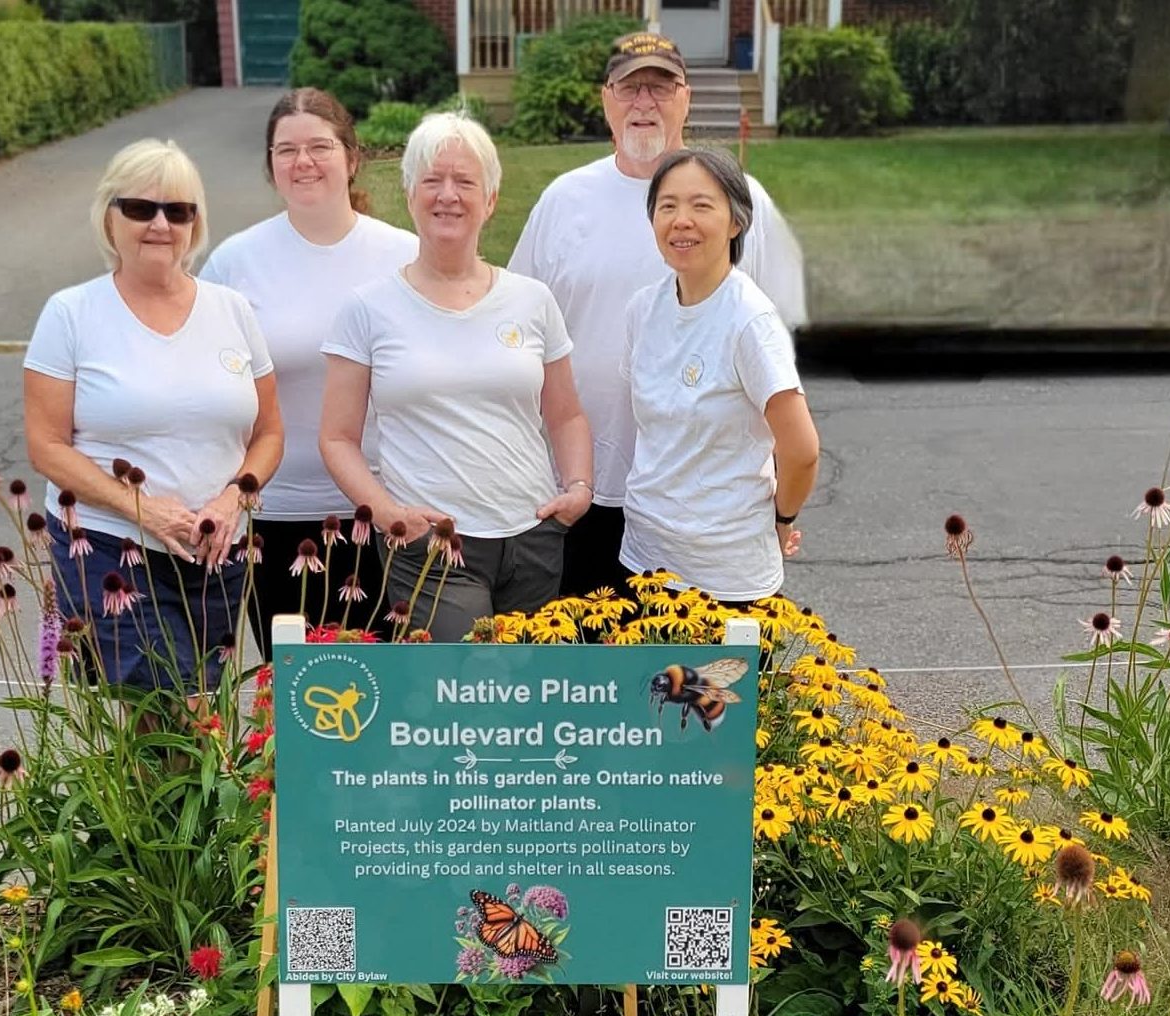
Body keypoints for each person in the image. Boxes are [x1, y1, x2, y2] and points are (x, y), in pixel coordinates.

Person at [509, 30, 808, 598]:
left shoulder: (745, 200)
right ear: (606, 100)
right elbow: (521, 336)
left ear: (686, 99)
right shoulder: (563, 201)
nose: (643, 103)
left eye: (661, 88)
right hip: (579, 485)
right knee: (590, 671)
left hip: (703, 510)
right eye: (629, 88)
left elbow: (774, 352)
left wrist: (784, 493)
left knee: (691, 684)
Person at [317, 113, 594, 642]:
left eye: (465, 181)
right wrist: (388, 514)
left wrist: (577, 489)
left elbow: (566, 414)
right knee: (465, 701)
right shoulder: (367, 309)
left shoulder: (532, 300)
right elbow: (337, 437)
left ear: (490, 199)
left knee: (526, 703)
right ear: (409, 194)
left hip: (532, 535)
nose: (448, 195)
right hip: (431, 544)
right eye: (432, 180)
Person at [24, 138, 283, 693]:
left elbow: (269, 432)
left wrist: (231, 499)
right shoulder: (71, 314)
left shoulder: (232, 311)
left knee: (205, 707)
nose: (160, 224)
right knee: (168, 717)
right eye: (141, 209)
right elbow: (46, 446)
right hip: (112, 547)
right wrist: (141, 509)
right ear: (109, 217)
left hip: (215, 550)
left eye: (178, 210)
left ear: (196, 222)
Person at [200, 88, 417, 655]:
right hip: (278, 517)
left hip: (388, 513)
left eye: (319, 146)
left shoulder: (404, 256)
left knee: (390, 699)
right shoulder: (234, 262)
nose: (303, 162)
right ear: (270, 166)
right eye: (286, 149)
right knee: (298, 708)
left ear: (351, 156)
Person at [620, 146, 819, 604]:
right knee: (648, 680)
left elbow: (802, 451)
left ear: (736, 222)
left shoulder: (749, 321)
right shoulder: (642, 311)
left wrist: (781, 518)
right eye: (667, 206)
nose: (681, 220)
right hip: (642, 562)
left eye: (701, 205)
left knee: (713, 681)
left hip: (727, 578)